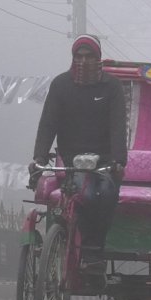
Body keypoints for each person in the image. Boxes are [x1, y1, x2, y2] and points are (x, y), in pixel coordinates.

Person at [29, 34, 127, 264]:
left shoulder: (111, 87)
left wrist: (118, 160)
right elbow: (47, 124)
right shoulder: (61, 85)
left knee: (106, 194)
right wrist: (38, 157)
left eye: (89, 56)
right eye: (78, 56)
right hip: (71, 161)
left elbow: (118, 127)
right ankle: (64, 242)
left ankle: (94, 248)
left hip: (104, 161)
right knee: (86, 195)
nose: (83, 61)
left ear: (98, 58)